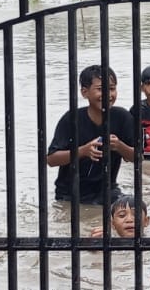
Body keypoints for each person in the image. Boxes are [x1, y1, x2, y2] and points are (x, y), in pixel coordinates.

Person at [45, 65, 136, 205]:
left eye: (112, 89)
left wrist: (120, 146)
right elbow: (51, 159)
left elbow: (138, 157)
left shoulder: (122, 117)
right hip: (69, 195)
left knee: (134, 207)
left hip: (108, 191)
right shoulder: (71, 118)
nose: (108, 94)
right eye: (100, 89)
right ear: (84, 92)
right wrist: (83, 151)